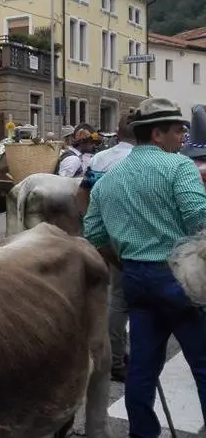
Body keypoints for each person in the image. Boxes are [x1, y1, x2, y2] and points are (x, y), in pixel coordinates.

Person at [84, 97, 206, 438]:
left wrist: (122, 261)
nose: (183, 137)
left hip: (136, 278)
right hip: (179, 279)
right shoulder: (178, 167)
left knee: (141, 369)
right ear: (157, 134)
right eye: (178, 130)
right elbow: (200, 218)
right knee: (203, 365)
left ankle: (142, 434)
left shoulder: (108, 180)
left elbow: (93, 232)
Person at [81, 112, 136, 383]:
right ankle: (122, 359)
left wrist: (92, 225)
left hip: (104, 232)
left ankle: (112, 354)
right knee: (127, 298)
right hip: (134, 234)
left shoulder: (100, 159)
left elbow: (83, 194)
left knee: (114, 296)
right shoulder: (141, 160)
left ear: (117, 131)